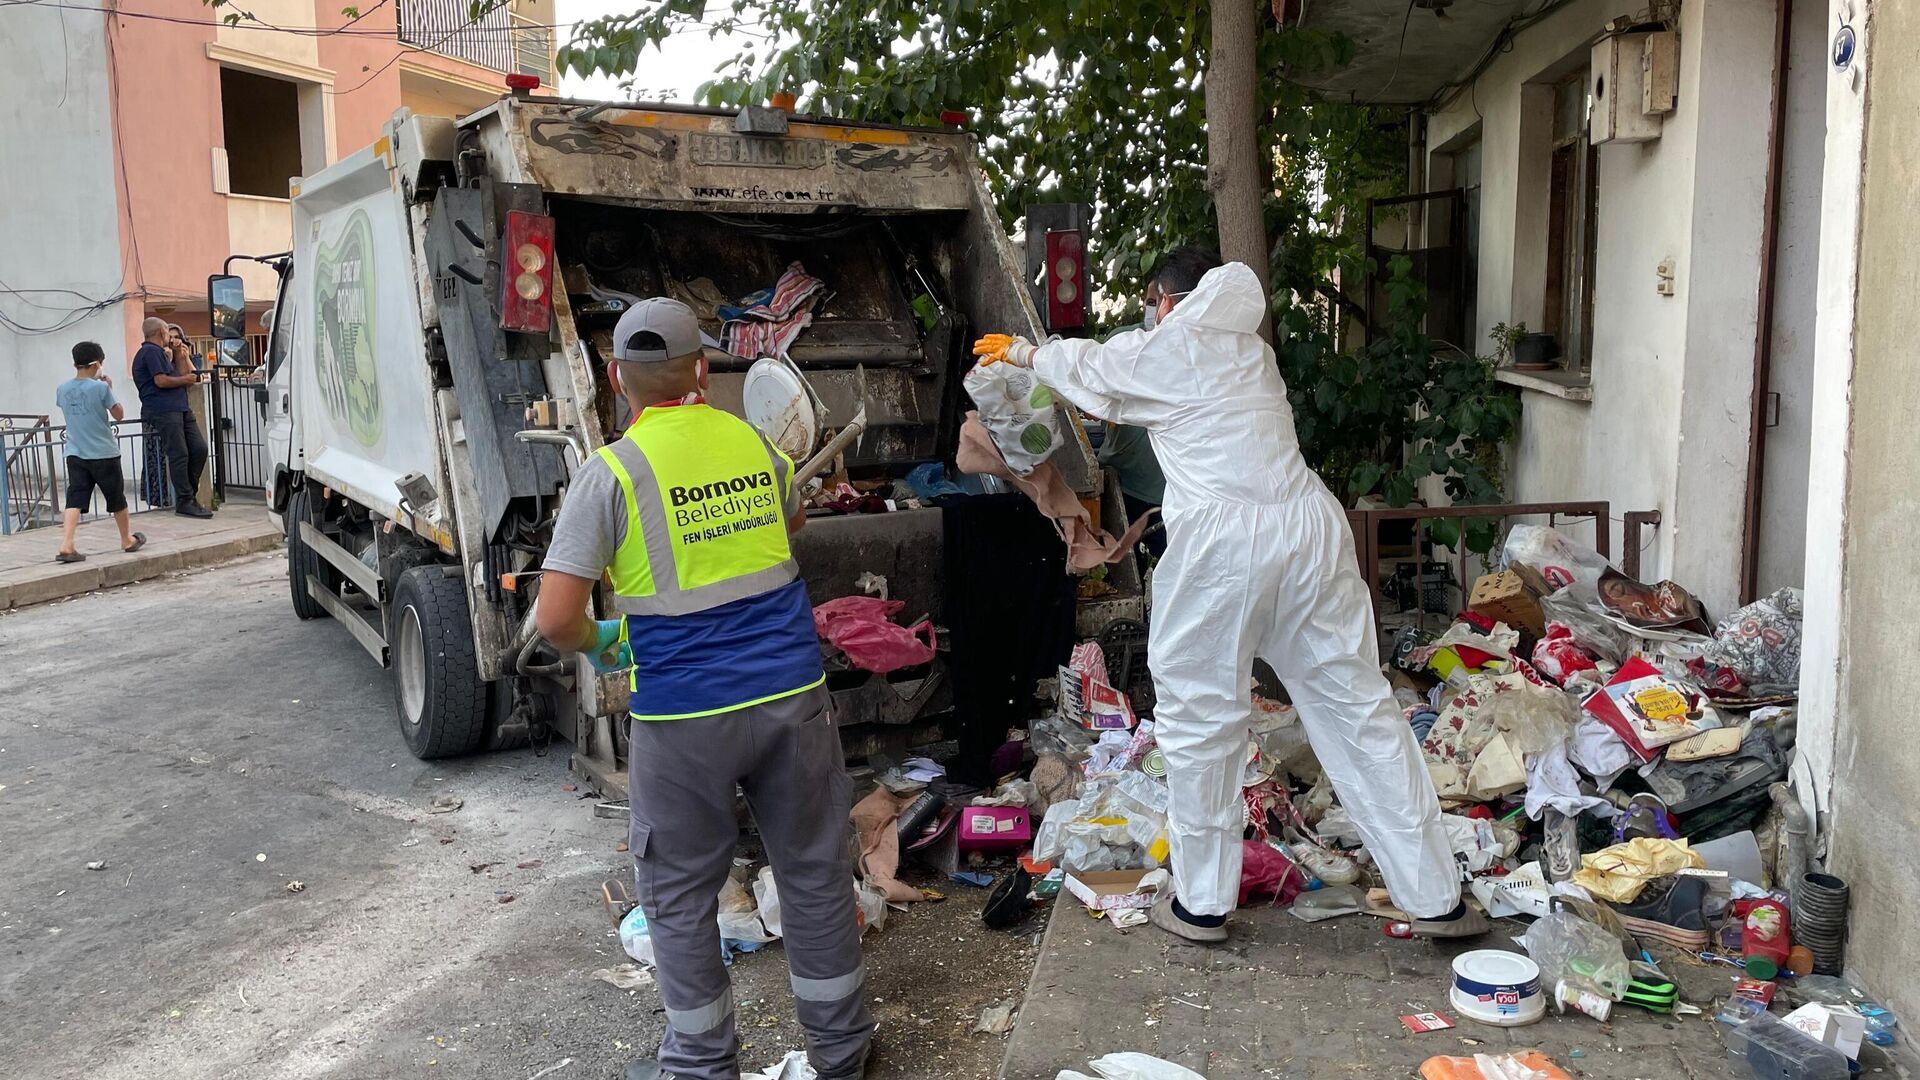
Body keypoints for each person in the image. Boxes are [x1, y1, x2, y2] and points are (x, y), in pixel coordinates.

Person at [974, 248, 1486, 943]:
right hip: (1307, 533)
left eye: (1153, 302)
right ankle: (1436, 898)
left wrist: (1027, 355)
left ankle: (1202, 905)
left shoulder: (1176, 346)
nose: (1151, 314)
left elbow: (1100, 372)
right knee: (1358, 711)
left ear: (1168, 299)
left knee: (1202, 721)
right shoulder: (1251, 350)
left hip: (1225, 547)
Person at [534, 298, 872, 1080]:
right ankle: (842, 1052)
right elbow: (790, 527)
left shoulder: (611, 473)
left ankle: (700, 1066)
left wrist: (601, 640)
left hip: (684, 717)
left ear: (616, 378)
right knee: (813, 872)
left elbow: (554, 618)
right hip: (792, 699)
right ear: (699, 370)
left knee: (681, 895)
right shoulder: (755, 444)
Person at [53, 341, 145, 562]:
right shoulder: (100, 388)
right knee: (116, 498)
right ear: (96, 364)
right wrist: (109, 389)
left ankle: (67, 543)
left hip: (75, 452)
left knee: (75, 498)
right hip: (103, 452)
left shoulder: (62, 389)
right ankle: (126, 540)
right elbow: (119, 414)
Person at [131, 316, 211, 517]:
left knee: (199, 449)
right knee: (179, 454)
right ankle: (185, 501)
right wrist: (185, 379)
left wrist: (179, 355)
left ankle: (189, 494)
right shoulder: (150, 351)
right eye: (168, 332)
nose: (170, 337)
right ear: (162, 332)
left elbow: (181, 375)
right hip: (163, 409)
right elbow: (161, 381)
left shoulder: (162, 353)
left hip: (180, 408)